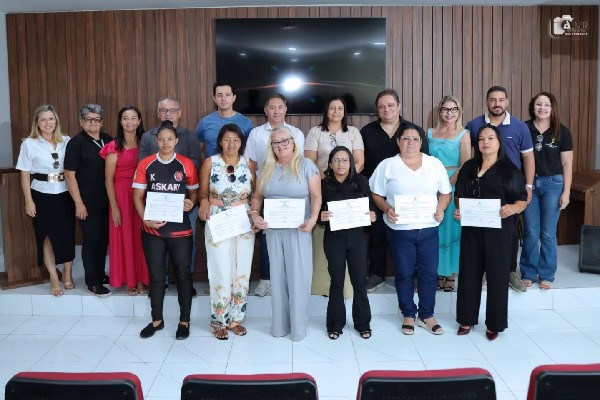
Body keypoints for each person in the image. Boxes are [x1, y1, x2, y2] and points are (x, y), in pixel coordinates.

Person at [369, 125, 450, 336]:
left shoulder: (434, 164)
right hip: (400, 230)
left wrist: (441, 208)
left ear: (421, 142)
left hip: (428, 229)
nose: (410, 143)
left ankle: (427, 315)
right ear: (398, 142)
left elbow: (445, 193)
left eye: (415, 139)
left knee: (429, 274)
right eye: (406, 138)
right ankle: (408, 313)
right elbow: (376, 194)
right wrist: (386, 208)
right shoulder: (387, 165)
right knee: (404, 273)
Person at [454, 124, 528, 341]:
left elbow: (522, 200)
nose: (485, 142)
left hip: (500, 233)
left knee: (497, 276)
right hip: (472, 230)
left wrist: (512, 208)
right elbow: (459, 196)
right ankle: (466, 319)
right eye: (481, 139)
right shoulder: (469, 167)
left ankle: (494, 323)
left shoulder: (509, 169)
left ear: (499, 142)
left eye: (490, 138)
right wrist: (459, 210)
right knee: (469, 274)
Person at [250, 126, 320, 341]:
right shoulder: (266, 168)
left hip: (299, 230)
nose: (281, 146)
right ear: (271, 146)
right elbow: (257, 197)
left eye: (284, 141)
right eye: (276, 142)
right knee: (278, 278)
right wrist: (254, 215)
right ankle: (279, 325)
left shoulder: (306, 165)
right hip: (273, 231)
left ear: (293, 142)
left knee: (298, 278)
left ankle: (298, 328)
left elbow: (316, 196)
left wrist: (312, 219)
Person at [133, 120, 199, 340]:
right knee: (156, 275)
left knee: (183, 273)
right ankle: (156, 320)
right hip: (153, 230)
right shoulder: (146, 164)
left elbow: (194, 193)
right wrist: (145, 220)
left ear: (176, 141)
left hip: (180, 230)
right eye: (161, 139)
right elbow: (137, 196)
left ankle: (184, 321)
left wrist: (191, 202)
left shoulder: (186, 164)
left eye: (170, 139)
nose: (165, 143)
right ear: (156, 141)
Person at [465, 86, 534, 293]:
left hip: (510, 188)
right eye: (493, 100)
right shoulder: (474, 125)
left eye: (501, 100)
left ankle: (510, 271)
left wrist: (528, 186)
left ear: (507, 102)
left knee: (510, 233)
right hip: (482, 187)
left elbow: (528, 157)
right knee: (481, 232)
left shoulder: (520, 127)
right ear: (487, 102)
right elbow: (468, 156)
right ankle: (484, 271)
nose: (497, 104)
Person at [360, 88, 429, 293]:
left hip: (408, 195)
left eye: (390, 105)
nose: (386, 110)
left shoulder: (413, 131)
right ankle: (377, 274)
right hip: (376, 193)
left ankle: (412, 275)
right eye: (381, 107)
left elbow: (425, 160)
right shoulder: (367, 132)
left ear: (399, 106)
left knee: (410, 235)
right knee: (377, 234)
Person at [244, 93, 305, 297]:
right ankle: (266, 279)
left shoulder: (296, 133)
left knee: (293, 234)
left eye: (280, 107)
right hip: (266, 189)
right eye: (272, 107)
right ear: (265, 110)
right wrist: (256, 190)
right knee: (266, 232)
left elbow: (300, 162)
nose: (276, 111)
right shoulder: (256, 134)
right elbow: (251, 164)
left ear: (286, 109)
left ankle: (290, 279)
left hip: (293, 191)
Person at [138, 97, 200, 296]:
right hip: (156, 202)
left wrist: (191, 199)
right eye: (164, 110)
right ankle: (161, 282)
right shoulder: (148, 137)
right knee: (158, 240)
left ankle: (186, 281)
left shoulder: (190, 136)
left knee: (187, 244)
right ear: (158, 114)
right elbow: (143, 168)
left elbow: (195, 166)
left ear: (179, 112)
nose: (168, 114)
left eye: (172, 110)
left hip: (183, 201)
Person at [199, 124, 256, 340]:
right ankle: (218, 320)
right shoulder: (210, 162)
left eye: (236, 139)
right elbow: (202, 191)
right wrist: (204, 202)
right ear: (220, 142)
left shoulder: (249, 163)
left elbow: (256, 194)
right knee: (220, 269)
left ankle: (235, 319)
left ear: (241, 142)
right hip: (218, 218)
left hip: (242, 220)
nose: (231, 144)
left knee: (242, 270)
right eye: (227, 139)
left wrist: (255, 215)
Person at [305, 96, 362, 298]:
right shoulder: (315, 132)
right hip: (322, 188)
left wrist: (344, 181)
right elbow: (310, 162)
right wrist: (328, 182)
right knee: (324, 236)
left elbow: (359, 161)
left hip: (350, 190)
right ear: (326, 111)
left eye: (340, 108)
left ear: (344, 111)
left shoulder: (353, 132)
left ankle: (346, 288)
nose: (336, 112)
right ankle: (322, 286)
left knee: (347, 237)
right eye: (332, 108)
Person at [16, 105, 75, 296]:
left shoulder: (67, 141)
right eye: (43, 119)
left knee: (67, 234)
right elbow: (25, 174)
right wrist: (28, 200)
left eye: (51, 118)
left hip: (65, 192)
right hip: (41, 194)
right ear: (37, 123)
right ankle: (53, 276)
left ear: (56, 120)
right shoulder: (29, 144)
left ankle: (68, 273)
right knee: (46, 236)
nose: (48, 123)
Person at [319, 146, 374, 340]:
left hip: (357, 238)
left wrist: (372, 215)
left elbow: (371, 207)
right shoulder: (323, 184)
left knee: (359, 281)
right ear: (330, 164)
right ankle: (335, 324)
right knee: (336, 282)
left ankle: (363, 323)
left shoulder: (361, 181)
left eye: (344, 160)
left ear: (351, 163)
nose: (340, 164)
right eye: (336, 160)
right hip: (334, 239)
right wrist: (321, 217)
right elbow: (317, 212)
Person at [519, 92, 573, 290]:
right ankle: (528, 273)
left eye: (547, 105)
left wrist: (566, 192)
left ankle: (547, 275)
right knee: (531, 232)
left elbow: (567, 164)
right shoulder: (524, 128)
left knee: (548, 233)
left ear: (552, 108)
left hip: (553, 185)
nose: (542, 108)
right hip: (529, 185)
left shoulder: (562, 131)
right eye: (539, 104)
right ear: (533, 107)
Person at [99, 105, 149, 295]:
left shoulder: (146, 143)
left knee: (143, 238)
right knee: (126, 238)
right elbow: (108, 179)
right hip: (122, 196)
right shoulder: (114, 146)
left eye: (133, 118)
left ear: (139, 121)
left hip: (143, 194)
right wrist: (114, 207)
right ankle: (129, 280)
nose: (129, 122)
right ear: (120, 122)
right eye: (125, 118)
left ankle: (143, 279)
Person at [64, 104, 112, 297]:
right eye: (88, 119)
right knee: (91, 240)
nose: (93, 123)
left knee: (103, 240)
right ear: (81, 122)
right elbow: (69, 175)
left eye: (97, 119)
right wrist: (79, 203)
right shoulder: (76, 143)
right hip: (87, 202)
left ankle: (100, 274)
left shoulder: (108, 139)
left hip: (107, 200)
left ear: (102, 121)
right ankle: (92, 281)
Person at [427, 96, 471, 292]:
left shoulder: (463, 134)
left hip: (453, 184)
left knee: (451, 228)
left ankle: (451, 272)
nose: (449, 113)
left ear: (458, 112)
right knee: (435, 227)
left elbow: (466, 164)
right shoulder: (429, 133)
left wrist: (447, 184)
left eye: (453, 109)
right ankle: (437, 271)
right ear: (440, 112)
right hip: (431, 186)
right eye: (445, 109)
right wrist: (434, 185)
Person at [196, 82, 254, 162]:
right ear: (214, 99)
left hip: (237, 168)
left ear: (233, 98)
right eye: (220, 95)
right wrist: (206, 165)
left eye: (227, 95)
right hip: (211, 168)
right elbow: (198, 150)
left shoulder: (246, 123)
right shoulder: (205, 122)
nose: (223, 99)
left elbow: (251, 152)